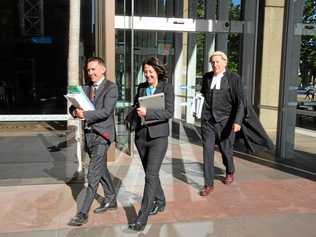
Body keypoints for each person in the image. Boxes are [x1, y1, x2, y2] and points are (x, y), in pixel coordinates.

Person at [68, 57, 118, 226]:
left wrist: (85, 115)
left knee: (93, 174)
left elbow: (106, 111)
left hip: (103, 136)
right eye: (88, 70)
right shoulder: (86, 88)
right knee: (101, 168)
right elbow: (72, 106)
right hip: (89, 135)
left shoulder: (111, 87)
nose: (90, 73)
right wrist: (75, 111)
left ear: (103, 69)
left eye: (93, 69)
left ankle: (82, 213)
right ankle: (111, 198)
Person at [127, 57, 174, 231]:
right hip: (141, 137)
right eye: (145, 72)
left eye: (150, 72)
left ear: (158, 71)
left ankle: (142, 217)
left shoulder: (167, 87)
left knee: (150, 176)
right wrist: (134, 111)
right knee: (150, 173)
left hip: (158, 138)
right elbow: (134, 106)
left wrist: (148, 112)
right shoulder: (141, 88)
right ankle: (160, 201)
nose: (147, 75)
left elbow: (169, 112)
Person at [199, 51, 245, 196]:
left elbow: (241, 102)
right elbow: (204, 95)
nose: (215, 64)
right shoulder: (207, 77)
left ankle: (230, 170)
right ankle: (208, 184)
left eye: (218, 62)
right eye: (213, 62)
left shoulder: (233, 78)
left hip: (226, 122)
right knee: (207, 151)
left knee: (226, 150)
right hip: (208, 122)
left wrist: (237, 121)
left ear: (225, 62)